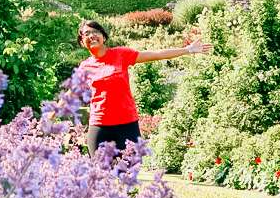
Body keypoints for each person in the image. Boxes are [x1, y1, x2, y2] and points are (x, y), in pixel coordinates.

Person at [76, 19, 212, 154]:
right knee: (99, 174)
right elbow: (71, 93)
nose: (91, 35)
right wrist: (53, 114)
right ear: (82, 42)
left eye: (95, 31)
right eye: (86, 33)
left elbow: (156, 54)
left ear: (103, 37)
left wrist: (187, 50)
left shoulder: (121, 54)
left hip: (127, 124)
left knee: (130, 171)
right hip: (99, 126)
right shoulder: (85, 67)